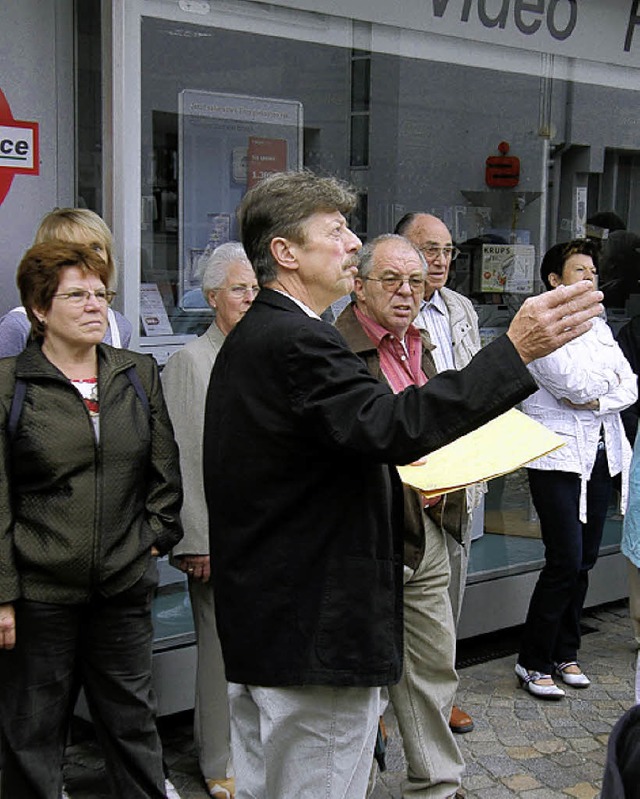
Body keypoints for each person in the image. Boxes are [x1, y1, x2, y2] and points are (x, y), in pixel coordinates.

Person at [202, 170, 603, 799]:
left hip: (278, 626)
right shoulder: (299, 338)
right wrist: (515, 351)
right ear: (285, 253)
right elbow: (394, 424)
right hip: (315, 635)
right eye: (335, 232)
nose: (353, 243)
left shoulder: (264, 333)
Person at [0, 242, 183, 799]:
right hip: (40, 594)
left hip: (122, 588)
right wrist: (4, 593)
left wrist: (150, 543)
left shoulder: (136, 373)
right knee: (33, 736)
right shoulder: (11, 383)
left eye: (101, 294)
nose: (94, 305)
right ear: (39, 308)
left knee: (132, 728)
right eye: (76, 295)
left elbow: (165, 475)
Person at [334, 233, 464, 798]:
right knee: (362, 678)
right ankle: (352, 785)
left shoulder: (422, 343)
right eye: (391, 280)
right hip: (370, 534)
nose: (407, 292)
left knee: (434, 667)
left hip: (429, 525)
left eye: (415, 281)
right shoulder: (336, 348)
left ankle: (436, 783)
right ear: (359, 285)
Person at [515, 238, 636, 699]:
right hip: (558, 455)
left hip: (602, 452)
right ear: (554, 280)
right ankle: (532, 660)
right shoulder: (541, 326)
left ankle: (566, 652)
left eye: (592, 271)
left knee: (584, 560)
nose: (589, 277)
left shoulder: (601, 328)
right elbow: (570, 383)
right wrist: (604, 390)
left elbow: (630, 384)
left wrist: (599, 398)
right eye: (579, 270)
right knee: (563, 559)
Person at [162, 242, 258, 799]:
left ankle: (251, 753)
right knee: (218, 654)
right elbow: (184, 458)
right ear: (212, 298)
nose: (249, 298)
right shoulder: (191, 362)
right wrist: (195, 540)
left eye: (254, 288)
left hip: (263, 537)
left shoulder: (261, 354)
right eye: (238, 289)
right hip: (216, 542)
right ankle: (218, 760)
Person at [395, 211, 481, 735]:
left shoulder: (460, 309)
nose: (441, 261)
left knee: (451, 587)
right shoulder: (378, 309)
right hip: (408, 468)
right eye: (430, 249)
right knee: (398, 586)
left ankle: (438, 695)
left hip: (464, 467)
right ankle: (384, 703)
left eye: (448, 251)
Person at [0, 207, 132, 356]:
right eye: (74, 248)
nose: (87, 256)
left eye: (96, 247)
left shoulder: (119, 327)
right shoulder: (20, 326)